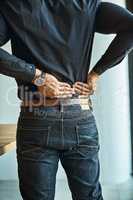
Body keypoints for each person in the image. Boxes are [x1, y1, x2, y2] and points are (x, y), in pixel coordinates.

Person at [0, 1, 133, 199]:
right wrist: (97, 72)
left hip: (35, 118)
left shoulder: (12, 4)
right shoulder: (86, 4)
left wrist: (36, 76)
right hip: (79, 117)